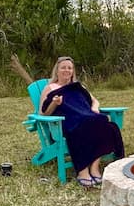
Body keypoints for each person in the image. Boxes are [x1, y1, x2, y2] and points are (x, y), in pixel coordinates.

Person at [40, 56, 125, 188]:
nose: (66, 70)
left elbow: (95, 101)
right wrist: (54, 103)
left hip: (86, 116)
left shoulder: (78, 87)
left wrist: (94, 108)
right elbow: (43, 113)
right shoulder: (50, 88)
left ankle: (95, 167)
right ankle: (82, 170)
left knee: (105, 122)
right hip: (66, 121)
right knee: (85, 126)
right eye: (63, 67)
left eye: (69, 68)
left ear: (73, 71)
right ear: (57, 70)